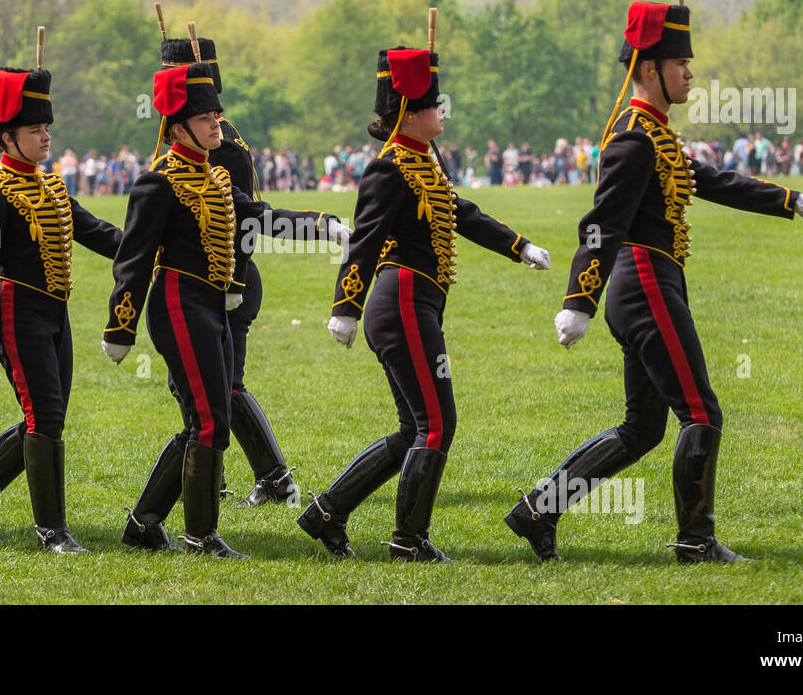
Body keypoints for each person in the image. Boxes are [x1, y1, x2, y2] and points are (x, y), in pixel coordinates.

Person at [506, 0, 803, 564]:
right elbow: (600, 224)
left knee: (642, 429)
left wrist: (794, 201)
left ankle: (538, 510)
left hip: (652, 284)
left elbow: (713, 181)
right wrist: (578, 301)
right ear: (649, 69)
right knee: (701, 412)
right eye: (680, 63)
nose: (690, 73)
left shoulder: (656, 134)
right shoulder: (633, 139)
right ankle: (695, 541)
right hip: (644, 284)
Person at [298, 43, 551, 562]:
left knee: (415, 426)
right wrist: (345, 307)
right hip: (403, 301)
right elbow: (365, 240)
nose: (443, 111)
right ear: (409, 113)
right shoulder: (388, 168)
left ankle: (326, 513)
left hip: (417, 304)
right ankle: (408, 541)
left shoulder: (421, 162)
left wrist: (518, 245)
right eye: (435, 104)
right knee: (437, 423)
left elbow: (463, 212)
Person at [103, 60, 343, 558]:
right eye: (206, 116)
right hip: (177, 303)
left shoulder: (214, 176)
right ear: (177, 127)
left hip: (213, 305)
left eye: (216, 113)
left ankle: (144, 525)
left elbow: (260, 216)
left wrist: (321, 223)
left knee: (204, 420)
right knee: (211, 420)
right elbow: (134, 258)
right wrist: (120, 326)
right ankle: (200, 535)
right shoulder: (158, 182)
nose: (217, 122)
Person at [157, 35, 351, 507]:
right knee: (202, 387)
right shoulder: (178, 146)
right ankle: (214, 476)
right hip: (193, 285)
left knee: (221, 387)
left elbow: (246, 221)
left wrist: (232, 285)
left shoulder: (225, 148)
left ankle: (267, 478)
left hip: (225, 285)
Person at [0, 66, 122, 552]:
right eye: (34, 130)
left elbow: (98, 233)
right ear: (6, 138)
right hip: (15, 310)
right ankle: (51, 532)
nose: (45, 137)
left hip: (55, 314)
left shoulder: (53, 187)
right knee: (43, 417)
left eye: (47, 129)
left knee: (45, 417)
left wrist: (150, 247)